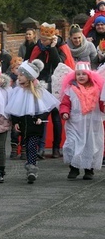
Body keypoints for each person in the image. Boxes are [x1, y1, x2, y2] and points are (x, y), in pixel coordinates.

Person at [5, 59, 60, 184]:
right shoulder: (17, 91)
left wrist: (42, 116)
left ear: (29, 77)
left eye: (22, 75)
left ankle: (32, 167)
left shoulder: (38, 90)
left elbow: (46, 106)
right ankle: (30, 164)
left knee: (32, 144)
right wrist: (16, 122)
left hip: (35, 122)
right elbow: (15, 107)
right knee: (26, 144)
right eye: (18, 75)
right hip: (23, 123)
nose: (19, 77)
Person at [28, 22, 75, 158]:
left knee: (56, 117)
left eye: (45, 40)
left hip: (57, 84)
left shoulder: (61, 47)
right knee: (42, 116)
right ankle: (40, 148)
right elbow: (33, 63)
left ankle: (56, 148)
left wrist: (53, 48)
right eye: (41, 39)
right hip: (42, 84)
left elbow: (59, 63)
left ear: (52, 39)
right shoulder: (38, 48)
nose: (42, 42)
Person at [60, 62, 105, 180]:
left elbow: (101, 103)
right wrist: (65, 112)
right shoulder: (70, 89)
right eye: (78, 74)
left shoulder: (97, 89)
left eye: (84, 74)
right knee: (73, 143)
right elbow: (65, 103)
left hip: (91, 123)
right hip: (75, 122)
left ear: (89, 75)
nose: (81, 76)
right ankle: (74, 168)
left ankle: (88, 169)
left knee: (91, 145)